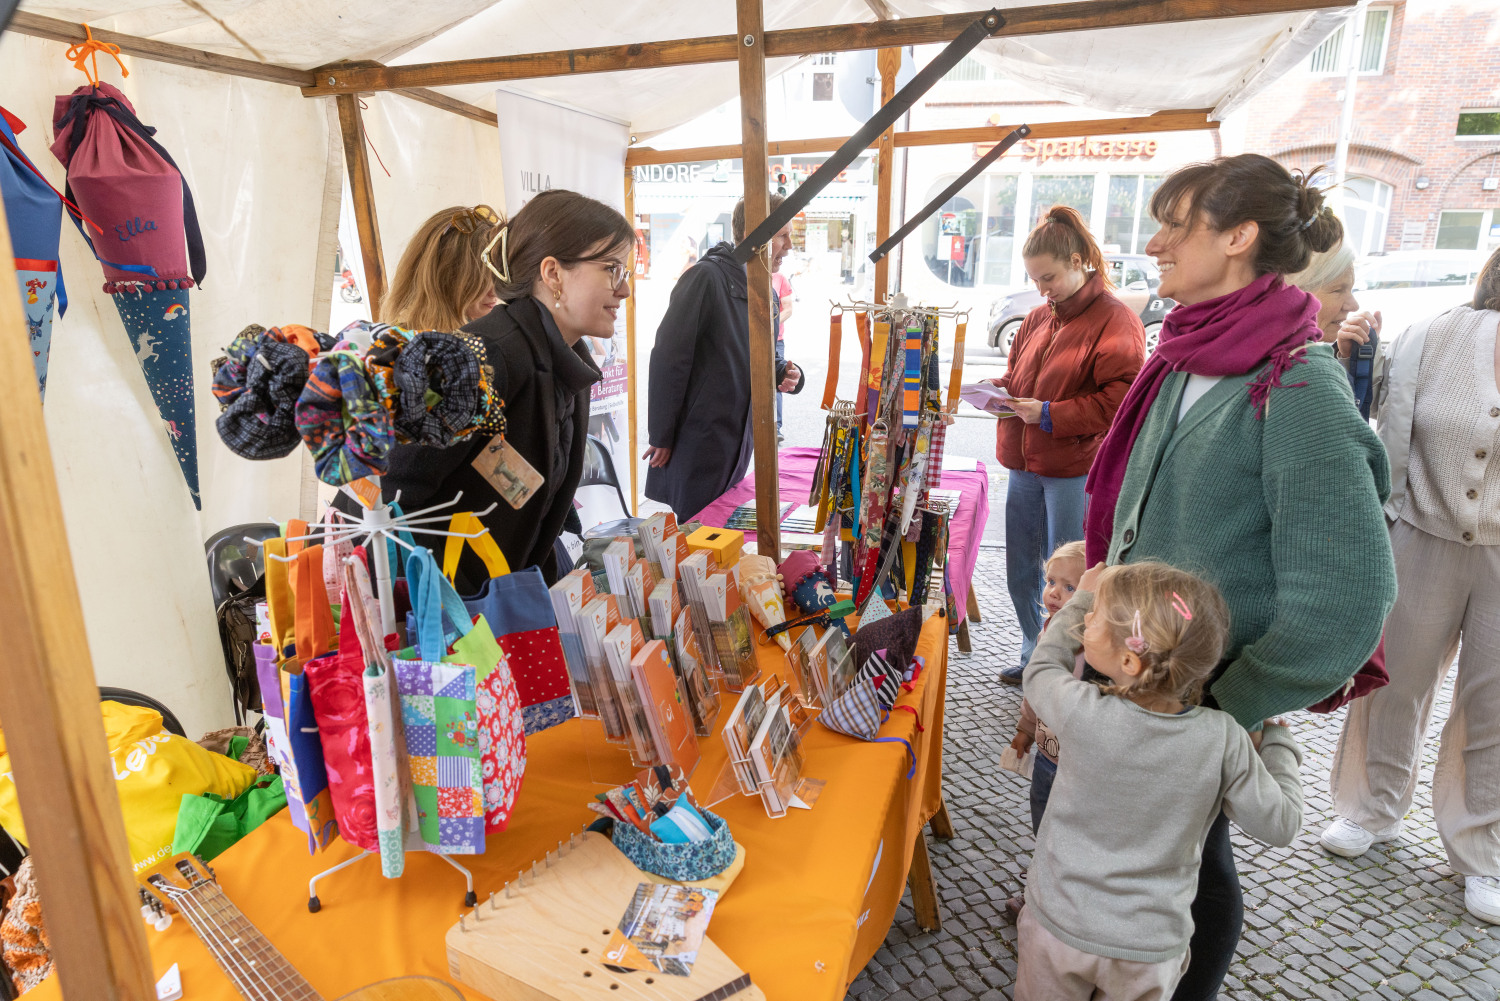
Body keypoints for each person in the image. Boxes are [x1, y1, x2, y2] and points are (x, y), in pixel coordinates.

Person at [1082, 154, 1397, 1001]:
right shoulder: (1186, 355)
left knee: (1192, 882)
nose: (1152, 244)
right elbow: (1157, 511)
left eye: (1174, 226)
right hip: (1129, 683)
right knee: (1137, 864)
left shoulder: (1297, 385)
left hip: (1190, 700)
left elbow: (1345, 600)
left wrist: (1232, 704)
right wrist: (1096, 572)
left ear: (1237, 237)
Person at [1016, 560, 1302, 1001]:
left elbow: (1040, 673)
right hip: (1150, 951)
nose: (1086, 620)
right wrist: (1279, 743)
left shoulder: (1084, 712)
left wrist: (1079, 603)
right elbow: (1279, 825)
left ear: (1129, 659)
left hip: (1060, 926)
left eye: (1093, 619)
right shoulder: (1223, 738)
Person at [1319, 246, 1500, 925]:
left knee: (1495, 706)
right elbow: (1383, 429)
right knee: (1395, 682)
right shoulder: (1435, 333)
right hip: (1421, 530)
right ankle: (1369, 806)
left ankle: (1483, 850)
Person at [379, 189, 633, 588]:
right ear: (553, 275)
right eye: (612, 270)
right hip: (453, 616)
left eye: (626, 273)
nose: (624, 290)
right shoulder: (484, 355)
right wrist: (444, 607)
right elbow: (394, 492)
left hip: (506, 599)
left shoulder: (568, 365)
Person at [992, 205, 1146, 684]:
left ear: (1080, 261)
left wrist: (1049, 414)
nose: (1042, 289)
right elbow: (1019, 377)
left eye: (1049, 277)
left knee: (1071, 577)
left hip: (1072, 466)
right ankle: (1031, 653)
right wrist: (997, 392)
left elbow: (1122, 400)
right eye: (1035, 280)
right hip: (1024, 462)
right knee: (1023, 568)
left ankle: (1066, 666)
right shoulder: (1039, 317)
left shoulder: (1116, 320)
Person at [644, 196, 805, 521]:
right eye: (782, 236)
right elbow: (668, 357)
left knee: (724, 534)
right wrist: (661, 433)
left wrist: (783, 371)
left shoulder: (766, 290)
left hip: (739, 437)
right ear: (754, 233)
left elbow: (758, 355)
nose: (789, 246)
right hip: (701, 439)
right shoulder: (705, 278)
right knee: (699, 536)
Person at [1003, 539, 1087, 921]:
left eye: (1070, 587)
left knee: (1069, 829)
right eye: (1051, 581)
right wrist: (1024, 729)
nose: (1054, 592)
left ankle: (1053, 892)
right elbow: (1035, 689)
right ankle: (1042, 874)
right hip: (1046, 753)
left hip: (1077, 760)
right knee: (1042, 817)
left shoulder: (1093, 642)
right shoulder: (1048, 630)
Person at [383, 204, 503, 331]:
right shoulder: (413, 343)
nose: (495, 292)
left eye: (500, 273)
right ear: (447, 278)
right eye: (482, 280)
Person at [1286, 242, 1379, 359]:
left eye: (1351, 290)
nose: (1354, 306)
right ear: (1295, 293)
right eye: (1338, 290)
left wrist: (1351, 358)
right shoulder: (1309, 366)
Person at [772, 269, 794, 437]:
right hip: (750, 339)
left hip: (775, 338)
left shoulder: (780, 278)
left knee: (778, 379)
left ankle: (776, 427)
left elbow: (787, 308)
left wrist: (770, 324)